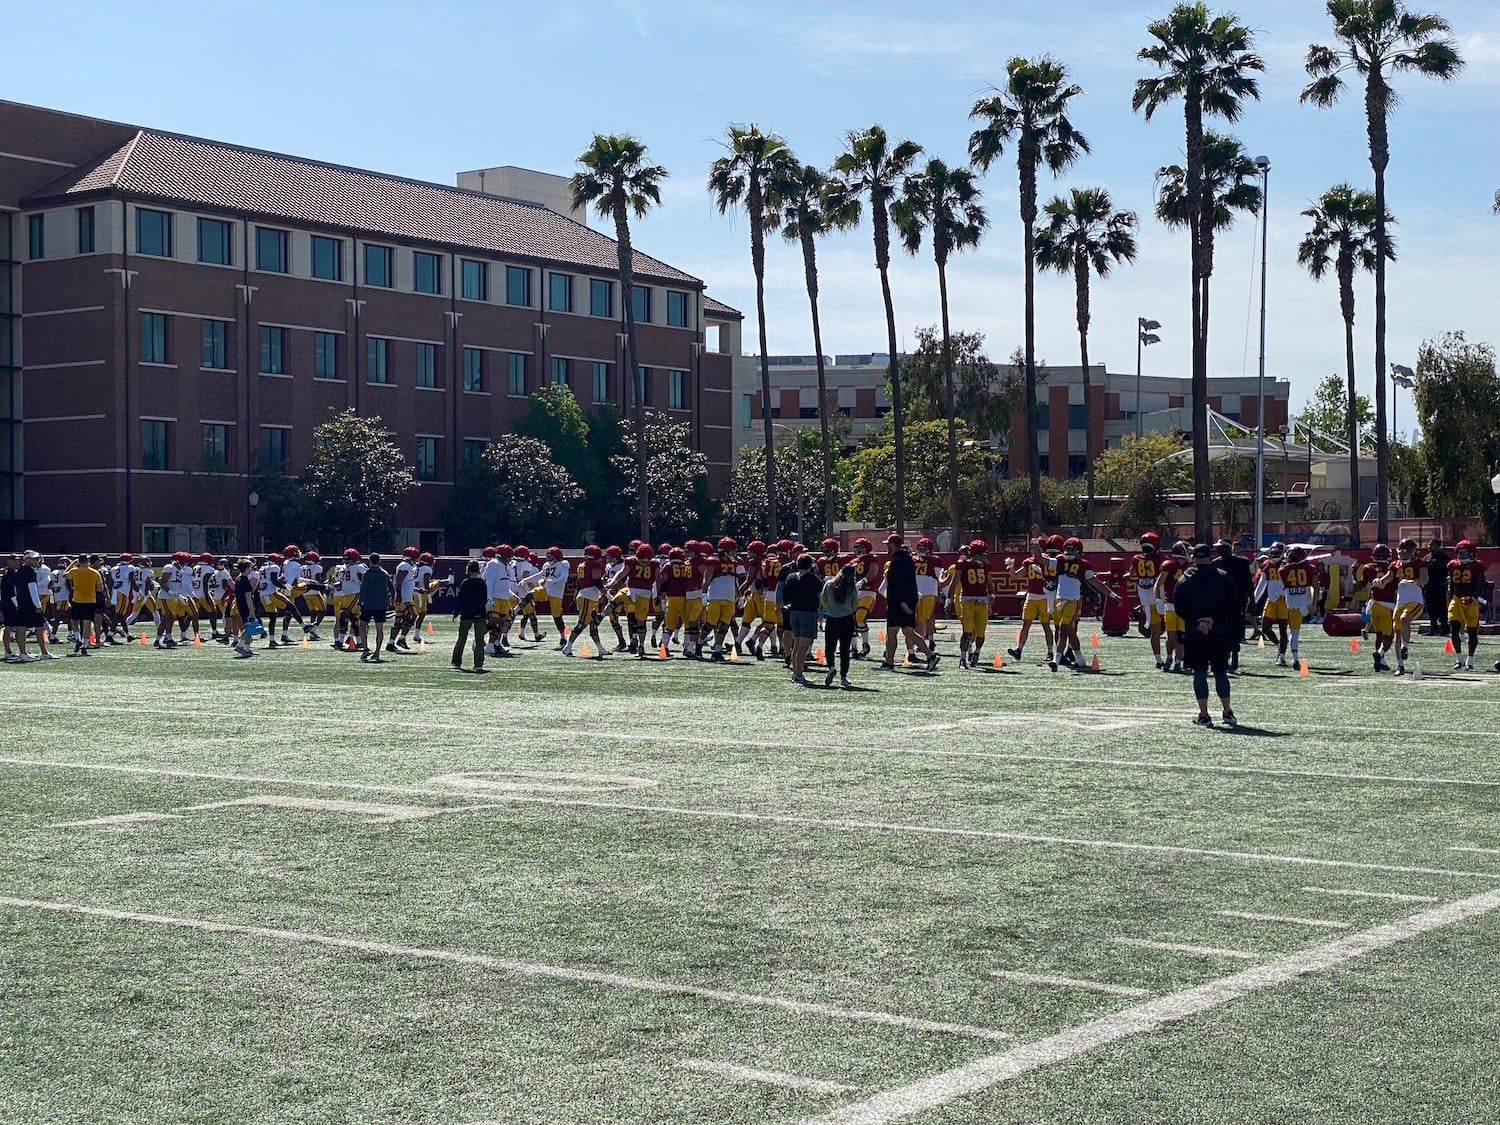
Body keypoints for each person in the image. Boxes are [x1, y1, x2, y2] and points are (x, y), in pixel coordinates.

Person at [1173, 542, 1240, 728]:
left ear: (1193, 557)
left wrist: (1198, 621)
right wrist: (1213, 619)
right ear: (1210, 556)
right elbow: (1233, 604)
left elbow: (1179, 606)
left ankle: (1204, 714)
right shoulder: (1223, 577)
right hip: (1219, 631)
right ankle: (1227, 711)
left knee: (1200, 672)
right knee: (1220, 672)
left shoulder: (1186, 578)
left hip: (1195, 632)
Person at [879, 535, 938, 672]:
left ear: (893, 545)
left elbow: (899, 584)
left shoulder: (898, 561)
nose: (887, 547)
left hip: (899, 602)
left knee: (892, 631)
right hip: (905, 601)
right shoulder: (907, 560)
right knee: (908, 631)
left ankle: (889, 662)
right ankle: (930, 656)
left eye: (888, 544)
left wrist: (902, 602)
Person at [780, 553, 823, 686]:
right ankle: (798, 674)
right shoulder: (814, 579)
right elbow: (820, 598)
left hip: (794, 613)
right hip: (807, 613)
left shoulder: (791, 577)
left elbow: (785, 595)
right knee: (802, 647)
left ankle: (795, 673)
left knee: (797, 645)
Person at [1213, 539, 1253, 672]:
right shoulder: (1216, 563)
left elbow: (1248, 582)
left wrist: (1251, 600)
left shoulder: (1241, 563)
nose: (1218, 550)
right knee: (1222, 632)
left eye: (1221, 548)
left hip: (1237, 603)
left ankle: (1235, 655)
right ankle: (1225, 658)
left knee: (1235, 632)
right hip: (1220, 603)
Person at [820, 563, 860, 689]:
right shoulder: (852, 588)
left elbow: (823, 601)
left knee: (829, 647)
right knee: (844, 649)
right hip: (847, 620)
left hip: (832, 619)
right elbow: (855, 606)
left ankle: (831, 667)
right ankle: (843, 677)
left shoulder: (829, 584)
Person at [1446, 539, 1482, 671]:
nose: (1462, 556)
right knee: (1454, 627)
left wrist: (1472, 597)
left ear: (1472, 554)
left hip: (1471, 602)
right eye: (1460, 553)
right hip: (1456, 599)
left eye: (1465, 553)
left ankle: (1470, 660)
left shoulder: (1477, 566)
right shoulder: (1453, 565)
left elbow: (1480, 584)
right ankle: (1459, 659)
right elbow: (1451, 585)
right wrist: (1450, 601)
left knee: (1472, 632)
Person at [451, 560, 489, 672]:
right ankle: (478, 664)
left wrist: (456, 612)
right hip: (480, 613)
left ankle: (456, 661)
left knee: (462, 638)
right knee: (479, 640)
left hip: (467, 614)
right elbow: (484, 599)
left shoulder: (465, 583)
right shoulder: (482, 583)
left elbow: (461, 599)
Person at [10, 551, 48, 661]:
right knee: (38, 627)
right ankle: (43, 652)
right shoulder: (29, 571)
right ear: (27, 559)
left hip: (22, 603)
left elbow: (15, 590)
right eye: (34, 559)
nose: (37, 560)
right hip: (30, 604)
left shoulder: (20, 571)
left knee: (21, 627)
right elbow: (32, 589)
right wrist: (38, 604)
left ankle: (23, 653)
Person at [359, 553, 393, 662]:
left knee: (362, 626)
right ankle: (377, 652)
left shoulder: (367, 573)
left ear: (370, 561)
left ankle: (365, 648)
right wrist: (392, 599)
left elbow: (363, 589)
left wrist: (360, 601)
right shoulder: (384, 573)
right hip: (381, 605)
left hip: (368, 604)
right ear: (379, 561)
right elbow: (392, 587)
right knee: (379, 629)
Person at [1424, 537, 1450, 635]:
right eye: (1429, 544)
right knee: (1431, 609)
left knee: (1442, 609)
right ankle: (1433, 629)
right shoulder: (1426, 558)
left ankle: (1444, 629)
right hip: (1428, 587)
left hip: (1440, 587)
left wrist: (1446, 583)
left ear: (1438, 546)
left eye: (1432, 545)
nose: (1429, 546)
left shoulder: (1444, 558)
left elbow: (1448, 572)